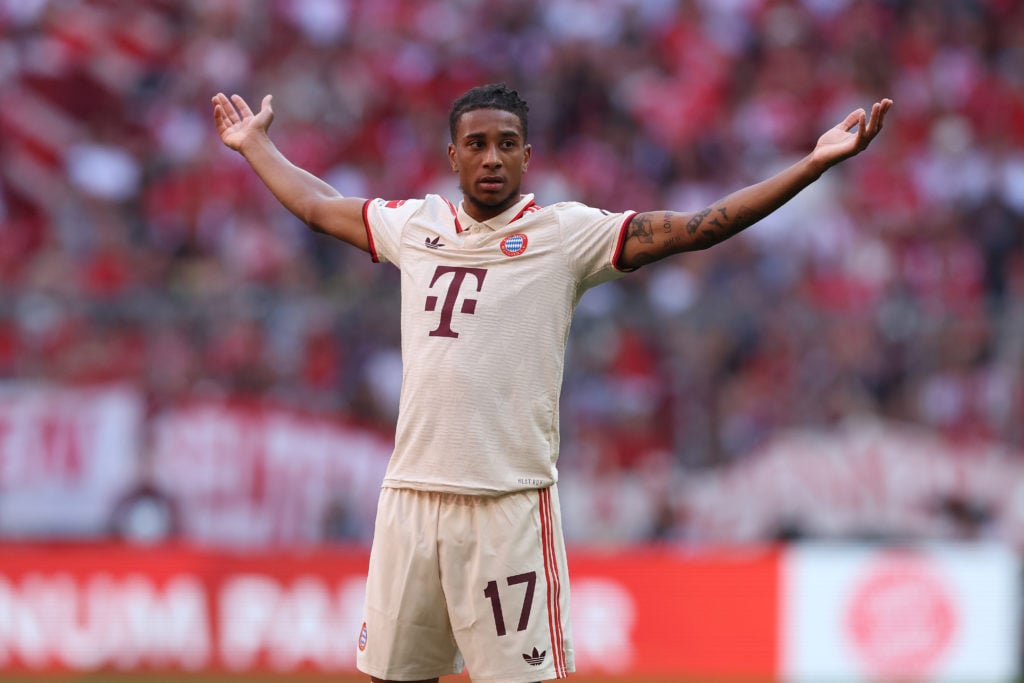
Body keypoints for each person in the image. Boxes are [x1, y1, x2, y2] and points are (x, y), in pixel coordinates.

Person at [212, 83, 892, 683]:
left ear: (527, 156)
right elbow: (318, 203)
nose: (490, 157)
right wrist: (254, 147)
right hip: (412, 496)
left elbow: (693, 230)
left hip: (507, 504)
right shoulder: (414, 225)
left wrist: (810, 165)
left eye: (506, 143)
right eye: (475, 144)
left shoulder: (565, 235)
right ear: (452, 156)